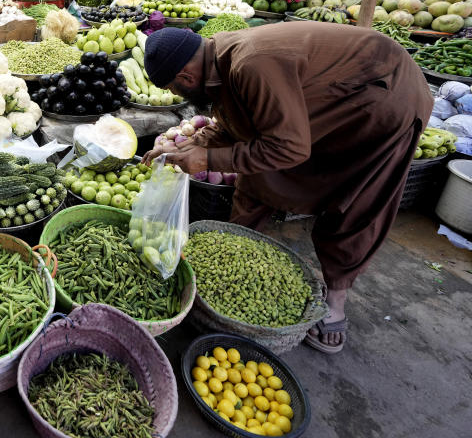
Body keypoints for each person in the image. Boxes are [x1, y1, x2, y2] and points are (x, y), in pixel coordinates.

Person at [140, 25, 431, 354]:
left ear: (186, 77)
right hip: (326, 104)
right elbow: (236, 124)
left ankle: (335, 300)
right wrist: (191, 147)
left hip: (382, 100)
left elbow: (289, 149)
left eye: (176, 90)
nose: (180, 96)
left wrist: (207, 157)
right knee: (256, 179)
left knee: (355, 200)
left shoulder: (250, 64)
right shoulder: (217, 63)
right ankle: (234, 253)